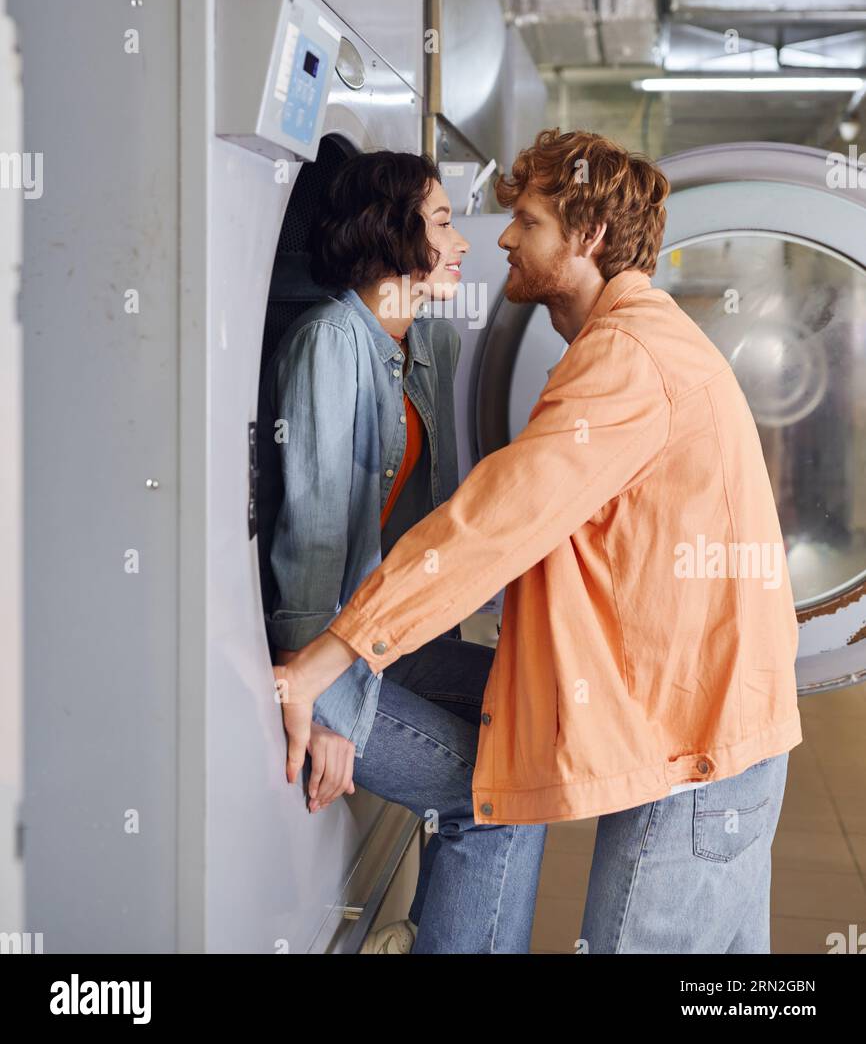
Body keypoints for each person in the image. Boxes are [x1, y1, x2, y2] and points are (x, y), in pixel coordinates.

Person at [273, 127, 803, 955]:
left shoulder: (624, 357)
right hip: (705, 723)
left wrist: (325, 660)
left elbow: (496, 521)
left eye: (526, 218)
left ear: (587, 237)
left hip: (697, 743)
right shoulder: (619, 343)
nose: (504, 238)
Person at [258, 148, 548, 955]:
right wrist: (332, 711)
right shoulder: (331, 341)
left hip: (383, 643)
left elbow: (430, 532)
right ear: (391, 231)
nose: (467, 243)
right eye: (446, 221)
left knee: (542, 710)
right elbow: (312, 541)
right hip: (313, 652)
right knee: (493, 793)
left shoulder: (431, 345)